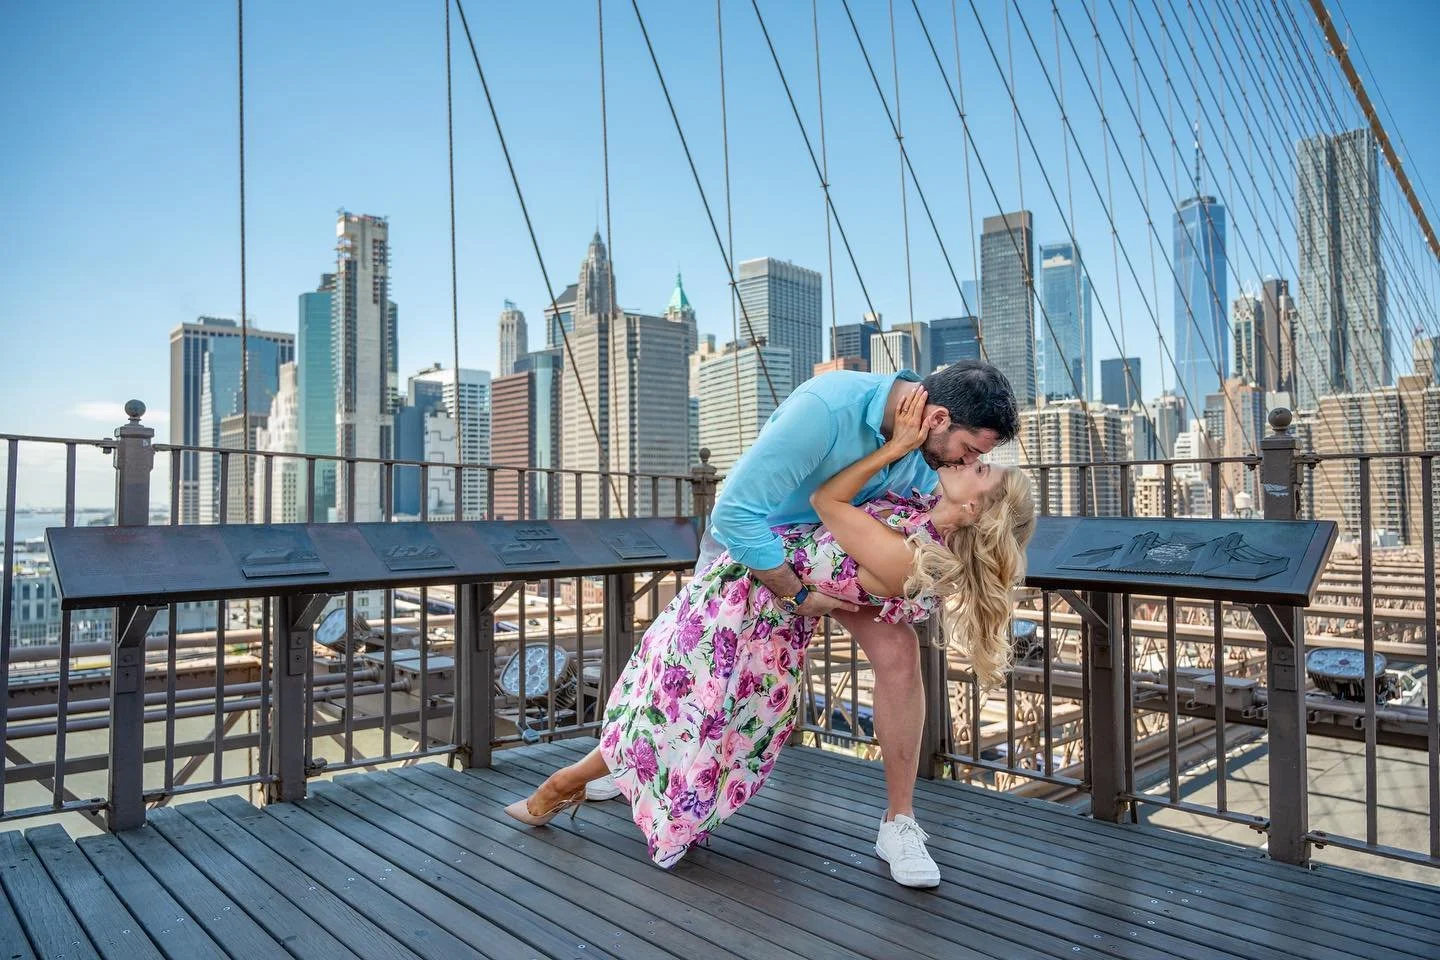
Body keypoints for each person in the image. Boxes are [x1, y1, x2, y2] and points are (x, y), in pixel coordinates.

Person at [505, 376, 1036, 885]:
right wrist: (800, 594)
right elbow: (736, 514)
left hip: (826, 575)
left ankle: (899, 824)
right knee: (687, 694)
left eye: (978, 462)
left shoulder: (928, 467)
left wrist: (899, 459)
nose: (971, 461)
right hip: (758, 564)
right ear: (937, 419)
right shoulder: (829, 411)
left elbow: (851, 513)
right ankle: (609, 772)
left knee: (885, 659)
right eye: (970, 451)